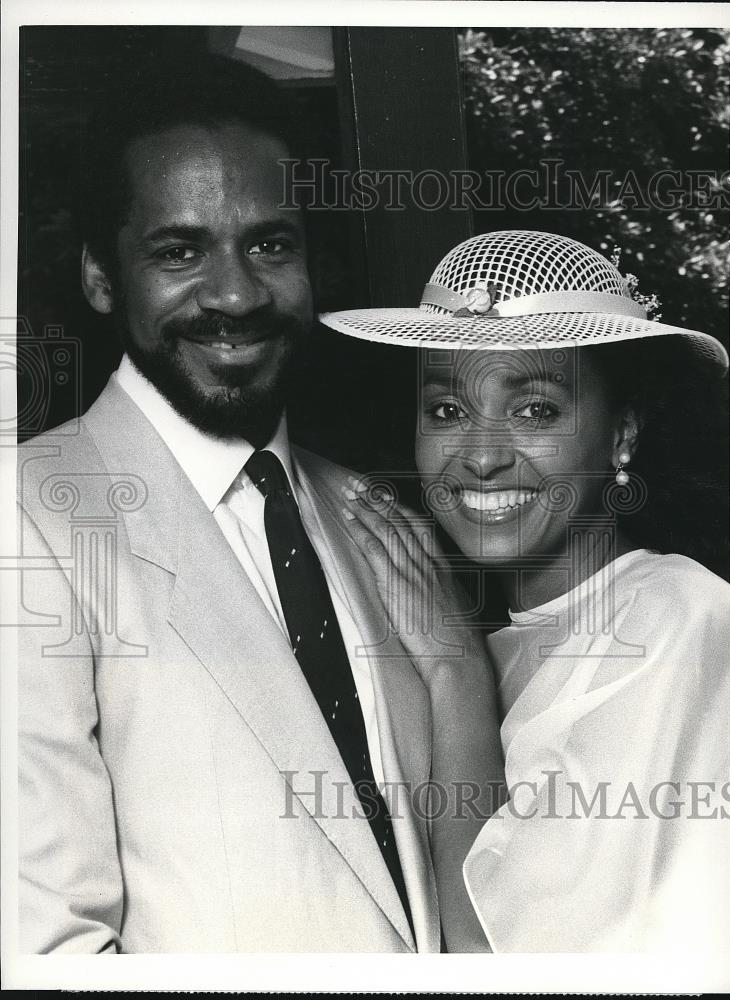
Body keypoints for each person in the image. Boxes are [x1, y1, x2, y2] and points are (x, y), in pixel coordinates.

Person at [16, 56, 500, 954]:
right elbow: (46, 948)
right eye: (179, 250)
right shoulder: (31, 514)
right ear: (98, 277)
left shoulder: (368, 512)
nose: (235, 295)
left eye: (269, 245)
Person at [321, 229, 730, 953]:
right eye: (447, 411)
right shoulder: (495, 642)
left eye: (534, 409)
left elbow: (497, 959)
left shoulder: (677, 617)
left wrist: (454, 670)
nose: (480, 456)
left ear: (622, 435)